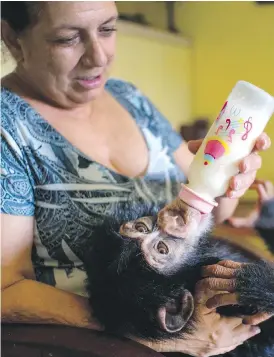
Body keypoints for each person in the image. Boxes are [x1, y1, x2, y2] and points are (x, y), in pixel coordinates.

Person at [1, 2, 271, 356]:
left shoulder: (130, 98)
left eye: (108, 29)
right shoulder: (8, 128)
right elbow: (4, 288)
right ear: (13, 39)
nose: (98, 57)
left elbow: (206, 212)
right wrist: (156, 331)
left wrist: (229, 179)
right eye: (68, 39)